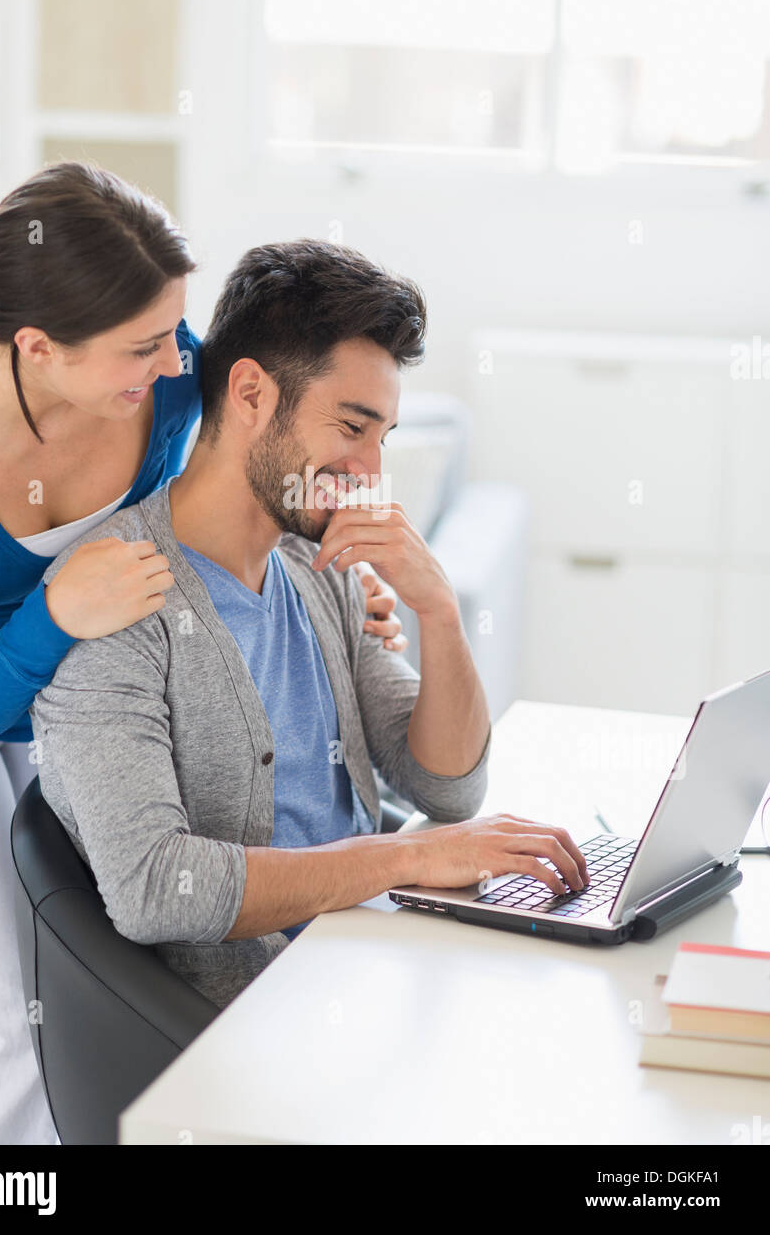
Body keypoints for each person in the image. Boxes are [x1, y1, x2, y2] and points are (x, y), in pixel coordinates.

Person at [0, 167, 403, 1145]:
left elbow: (260, 460)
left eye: (174, 330)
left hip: (86, 683)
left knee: (90, 990)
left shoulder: (165, 377)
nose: (175, 361)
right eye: (143, 345)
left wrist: (343, 578)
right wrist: (56, 609)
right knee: (0, 1019)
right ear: (39, 350)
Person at [30, 239, 590, 1014]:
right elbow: (154, 889)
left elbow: (446, 785)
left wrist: (438, 611)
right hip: (267, 1020)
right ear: (252, 393)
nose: (369, 472)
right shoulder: (115, 594)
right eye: (351, 428)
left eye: (381, 438)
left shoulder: (315, 564)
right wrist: (407, 857)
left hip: (381, 961)